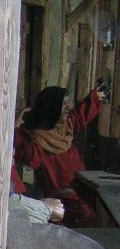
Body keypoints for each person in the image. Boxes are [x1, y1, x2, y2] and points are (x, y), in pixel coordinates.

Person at [13, 84, 108, 227]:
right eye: (64, 104)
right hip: (64, 202)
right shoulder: (37, 142)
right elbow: (28, 156)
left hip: (83, 194)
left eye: (68, 103)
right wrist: (15, 129)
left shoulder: (63, 128)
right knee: (89, 221)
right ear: (52, 108)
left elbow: (79, 117)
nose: (68, 107)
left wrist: (95, 97)